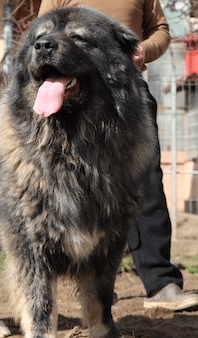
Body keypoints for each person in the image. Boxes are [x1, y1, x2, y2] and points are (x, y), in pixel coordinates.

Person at [38, 0, 198, 311]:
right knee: (83, 191)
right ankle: (96, 289)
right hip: (75, 97)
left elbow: (161, 31)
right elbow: (40, 35)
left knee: (147, 185)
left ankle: (161, 285)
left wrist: (143, 51)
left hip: (128, 94)